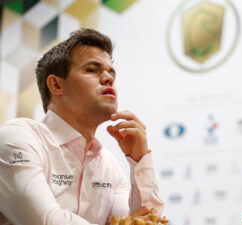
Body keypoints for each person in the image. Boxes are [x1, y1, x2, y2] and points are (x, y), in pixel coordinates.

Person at [0, 28, 164, 225]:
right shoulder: (17, 138)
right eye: (92, 70)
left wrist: (139, 161)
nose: (108, 78)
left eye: (111, 72)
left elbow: (147, 219)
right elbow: (46, 222)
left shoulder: (109, 166)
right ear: (56, 85)